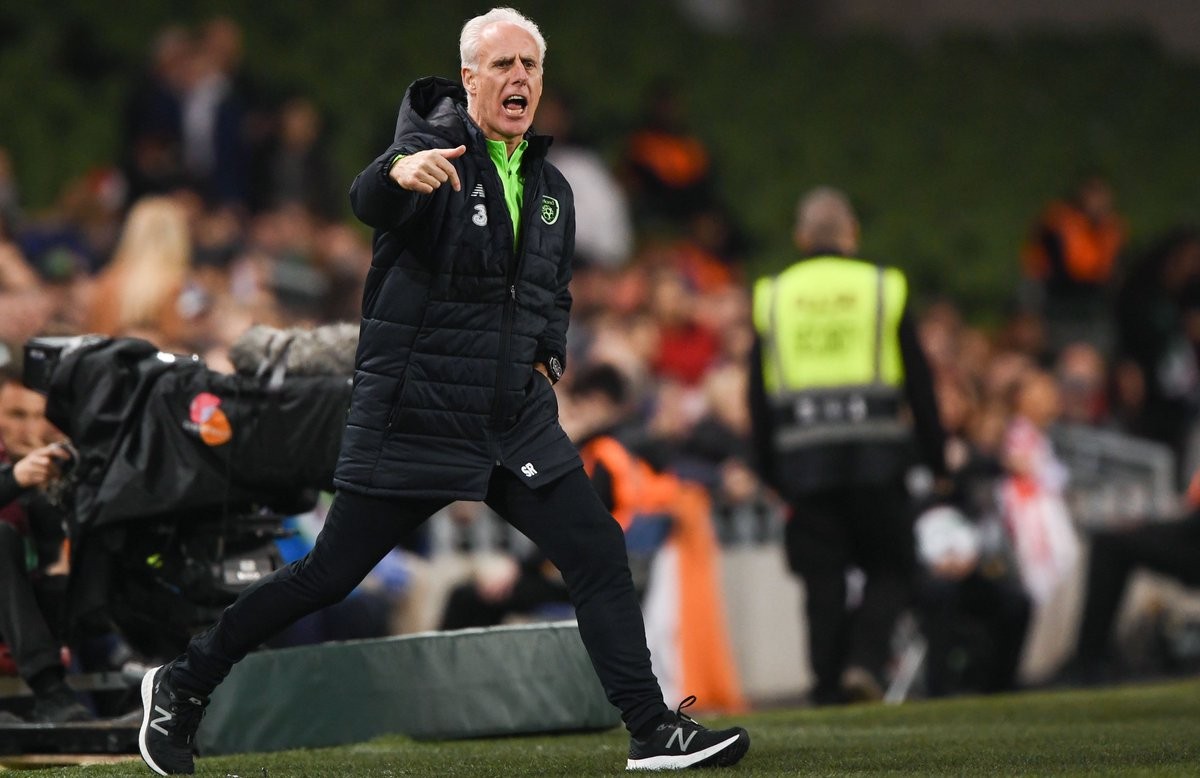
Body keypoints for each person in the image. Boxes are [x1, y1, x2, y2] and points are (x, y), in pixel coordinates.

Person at [137, 9, 749, 775]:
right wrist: (398, 174)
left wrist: (547, 359)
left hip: (511, 418)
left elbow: (551, 294)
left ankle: (651, 730)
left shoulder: (552, 187)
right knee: (327, 576)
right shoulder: (432, 152)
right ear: (469, 78)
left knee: (597, 551)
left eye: (529, 65)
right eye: (502, 65)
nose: (519, 77)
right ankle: (182, 685)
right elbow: (372, 197)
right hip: (417, 414)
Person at [748, 187, 947, 705]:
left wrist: (767, 469)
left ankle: (826, 686)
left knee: (823, 580)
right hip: (878, 459)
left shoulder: (774, 294)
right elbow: (920, 382)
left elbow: (757, 393)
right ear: (852, 234)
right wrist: (937, 457)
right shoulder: (881, 287)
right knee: (893, 567)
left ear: (801, 237)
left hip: (803, 461)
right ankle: (864, 659)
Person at [0, 362, 91, 722]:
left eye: (39, 416)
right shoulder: (17, 473)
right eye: (16, 415)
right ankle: (50, 689)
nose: (30, 429)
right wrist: (14, 478)